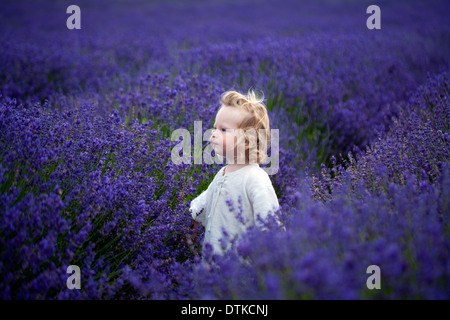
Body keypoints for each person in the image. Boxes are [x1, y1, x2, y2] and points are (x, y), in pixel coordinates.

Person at [189, 90, 280, 255]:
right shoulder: (223, 173)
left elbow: (270, 225)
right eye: (215, 127)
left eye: (223, 130)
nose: (214, 134)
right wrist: (194, 217)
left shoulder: (255, 179)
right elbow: (208, 198)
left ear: (248, 140)